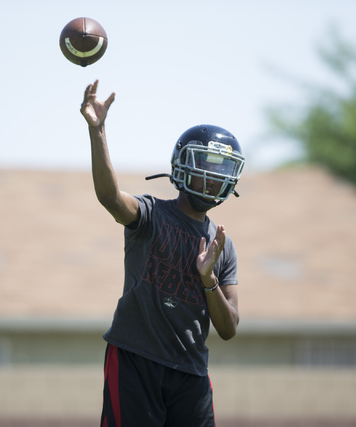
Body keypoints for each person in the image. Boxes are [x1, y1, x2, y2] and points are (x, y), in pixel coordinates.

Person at [80, 80, 244, 427]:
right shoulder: (152, 214)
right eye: (207, 165)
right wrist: (98, 131)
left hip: (191, 372)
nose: (214, 177)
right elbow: (110, 197)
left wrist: (208, 280)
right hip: (135, 360)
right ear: (182, 165)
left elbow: (228, 328)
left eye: (222, 169)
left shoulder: (222, 245)